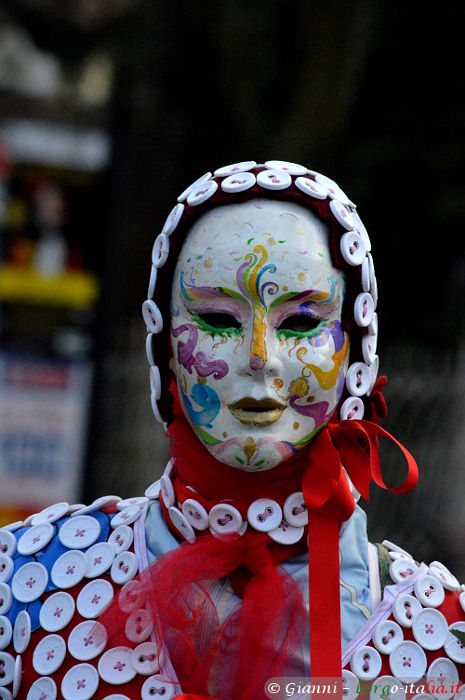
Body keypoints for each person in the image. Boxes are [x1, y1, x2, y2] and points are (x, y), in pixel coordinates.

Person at [0, 160, 463, 700]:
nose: (259, 358)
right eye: (219, 319)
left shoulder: (441, 644)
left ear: (355, 353)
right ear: (164, 341)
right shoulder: (26, 589)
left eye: (301, 323)